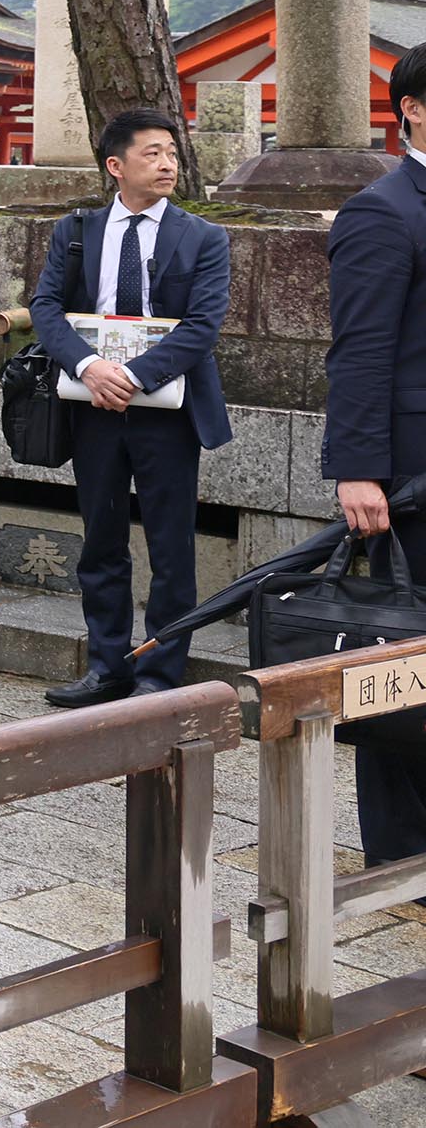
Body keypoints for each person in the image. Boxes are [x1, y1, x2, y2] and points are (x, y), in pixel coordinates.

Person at [31, 107, 232, 709]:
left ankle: (160, 672)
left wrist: (135, 375)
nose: (168, 162)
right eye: (152, 153)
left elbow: (202, 327)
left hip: (167, 411)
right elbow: (45, 307)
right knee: (101, 539)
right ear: (116, 166)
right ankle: (108, 665)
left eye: (172, 152)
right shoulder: (76, 232)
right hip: (93, 406)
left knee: (171, 546)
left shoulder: (203, 236)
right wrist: (90, 367)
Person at [327, 44, 426, 863]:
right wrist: (356, 467)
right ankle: (400, 854)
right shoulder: (383, 210)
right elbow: (360, 350)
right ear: (413, 110)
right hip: (408, 475)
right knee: (401, 654)